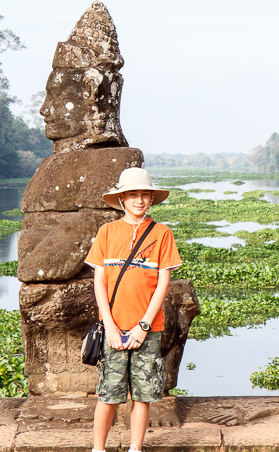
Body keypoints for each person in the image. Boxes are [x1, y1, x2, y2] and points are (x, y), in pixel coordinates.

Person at [84, 167, 181, 452]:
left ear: (151, 198)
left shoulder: (162, 233)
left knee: (142, 395)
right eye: (133, 194)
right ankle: (98, 449)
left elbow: (163, 283)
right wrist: (110, 326)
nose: (139, 200)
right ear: (122, 199)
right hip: (112, 328)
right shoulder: (107, 232)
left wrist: (143, 326)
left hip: (148, 329)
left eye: (145, 194)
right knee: (108, 394)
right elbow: (99, 282)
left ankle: (135, 448)